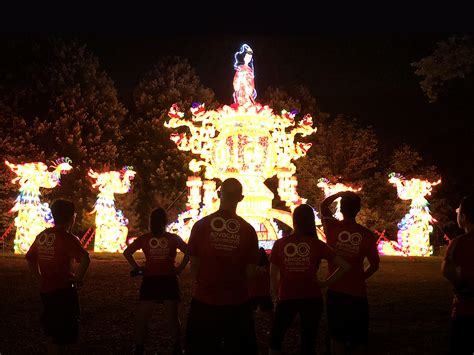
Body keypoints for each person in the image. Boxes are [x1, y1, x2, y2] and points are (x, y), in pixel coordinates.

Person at [185, 178, 259, 355]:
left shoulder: (200, 226)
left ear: (219, 194)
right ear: (241, 198)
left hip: (205, 300)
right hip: (237, 302)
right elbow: (250, 272)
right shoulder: (248, 230)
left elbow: (193, 265)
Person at [269, 204, 351, 355]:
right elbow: (345, 266)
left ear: (294, 221)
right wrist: (325, 283)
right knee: (308, 340)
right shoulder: (317, 244)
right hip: (312, 297)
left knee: (276, 338)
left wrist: (276, 295)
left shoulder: (280, 244)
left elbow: (273, 274)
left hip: (287, 297)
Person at [25, 199, 90, 355]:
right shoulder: (68, 238)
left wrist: (39, 277)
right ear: (71, 218)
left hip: (46, 290)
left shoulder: (42, 236)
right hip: (64, 291)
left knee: (52, 330)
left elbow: (29, 257)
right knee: (63, 333)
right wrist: (78, 278)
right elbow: (86, 258)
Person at [320, 191, 380, 355]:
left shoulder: (332, 227)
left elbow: (323, 206)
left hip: (335, 290)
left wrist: (340, 193)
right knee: (359, 338)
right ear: (358, 210)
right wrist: (361, 277)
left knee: (336, 336)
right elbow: (374, 264)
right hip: (358, 294)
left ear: (341, 209)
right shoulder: (366, 235)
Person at [123, 207, 189, 355]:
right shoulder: (173, 238)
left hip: (151, 280)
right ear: (165, 222)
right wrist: (180, 269)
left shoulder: (145, 239)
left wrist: (138, 268)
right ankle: (177, 347)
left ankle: (139, 347)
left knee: (143, 317)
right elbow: (189, 253)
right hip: (168, 279)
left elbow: (127, 253)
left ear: (151, 222)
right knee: (172, 317)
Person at [442, 195, 474, 354]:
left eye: (458, 211)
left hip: (464, 311)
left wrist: (461, 282)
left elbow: (446, 271)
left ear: (464, 217)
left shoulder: (459, 242)